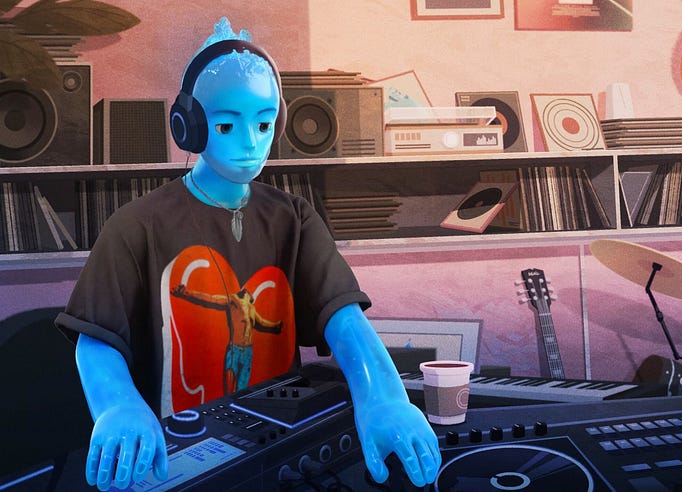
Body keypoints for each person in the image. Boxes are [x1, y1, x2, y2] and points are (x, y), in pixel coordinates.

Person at [55, 17, 440, 491]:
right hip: (178, 457)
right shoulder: (136, 224)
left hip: (278, 446)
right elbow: (96, 337)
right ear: (189, 126)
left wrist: (383, 395)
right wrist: (117, 405)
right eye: (226, 124)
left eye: (262, 124)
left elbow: (343, 316)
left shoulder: (294, 217)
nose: (250, 143)